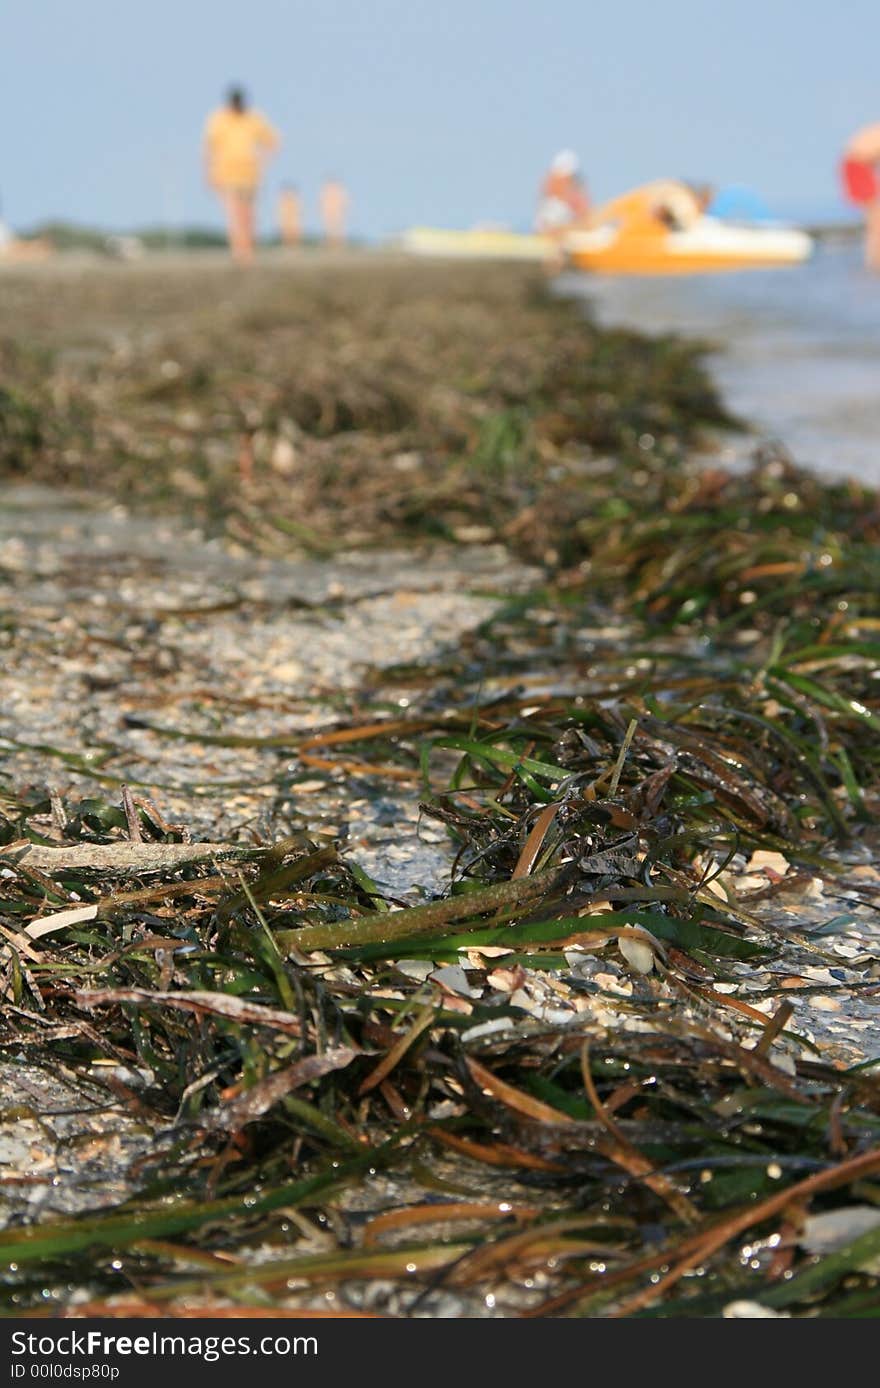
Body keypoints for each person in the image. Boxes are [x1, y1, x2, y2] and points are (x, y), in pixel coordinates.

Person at [203, 86, 280, 264]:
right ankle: (238, 252)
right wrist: (209, 173)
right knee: (233, 213)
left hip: (250, 174)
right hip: (226, 174)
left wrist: (262, 161)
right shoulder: (218, 119)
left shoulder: (254, 118)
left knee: (248, 215)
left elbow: (273, 142)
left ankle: (248, 250)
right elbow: (209, 148)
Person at [841, 123, 880, 271]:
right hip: (858, 166)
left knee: (874, 219)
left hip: (858, 165)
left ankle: (873, 259)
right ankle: (874, 261)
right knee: (875, 218)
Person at [535, 150, 591, 236]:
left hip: (568, 229)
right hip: (555, 229)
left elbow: (584, 210)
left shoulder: (573, 188)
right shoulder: (552, 184)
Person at [319, 179, 349, 247]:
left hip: (337, 213)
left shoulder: (339, 190)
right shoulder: (325, 190)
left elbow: (345, 202)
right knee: (328, 230)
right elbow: (321, 202)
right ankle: (329, 244)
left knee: (338, 230)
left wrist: (343, 210)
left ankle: (339, 245)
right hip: (328, 212)